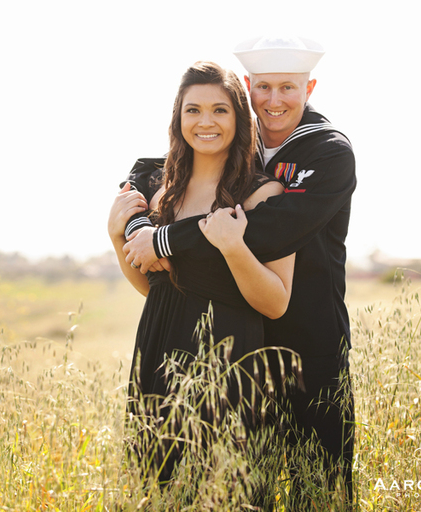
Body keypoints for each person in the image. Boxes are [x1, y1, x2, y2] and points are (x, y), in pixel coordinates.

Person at [119, 36, 357, 509]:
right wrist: (132, 224)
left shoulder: (327, 153)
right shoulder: (232, 147)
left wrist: (162, 239)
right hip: (233, 336)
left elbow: (266, 230)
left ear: (309, 88)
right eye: (263, 87)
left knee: (318, 486)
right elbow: (149, 173)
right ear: (248, 88)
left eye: (288, 87)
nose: (274, 100)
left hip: (306, 336)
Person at [107, 61, 295, 489]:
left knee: (225, 489)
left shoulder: (263, 194)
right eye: (193, 110)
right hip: (158, 351)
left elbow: (276, 301)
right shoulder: (161, 192)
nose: (205, 122)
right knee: (156, 488)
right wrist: (118, 238)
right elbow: (156, 288)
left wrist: (233, 247)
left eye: (219, 110)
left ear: (240, 118)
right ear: (178, 117)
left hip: (229, 361)